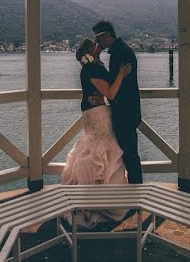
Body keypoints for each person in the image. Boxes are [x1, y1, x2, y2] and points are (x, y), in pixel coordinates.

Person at [61, 39, 132, 226]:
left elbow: (101, 93)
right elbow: (110, 93)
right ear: (90, 52)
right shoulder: (92, 69)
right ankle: (99, 199)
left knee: (95, 149)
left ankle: (95, 194)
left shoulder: (92, 67)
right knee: (100, 151)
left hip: (93, 113)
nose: (98, 45)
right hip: (98, 115)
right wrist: (122, 75)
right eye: (95, 45)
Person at [92, 20, 143, 184]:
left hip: (125, 113)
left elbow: (123, 87)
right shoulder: (120, 51)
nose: (96, 43)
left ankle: (136, 197)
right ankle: (135, 195)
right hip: (126, 112)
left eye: (98, 39)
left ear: (106, 36)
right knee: (128, 155)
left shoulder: (121, 53)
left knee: (130, 156)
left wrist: (105, 99)